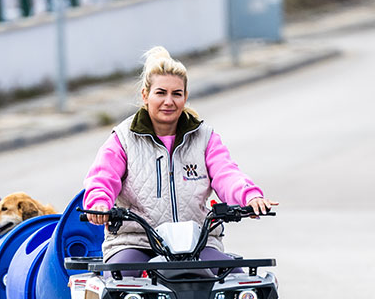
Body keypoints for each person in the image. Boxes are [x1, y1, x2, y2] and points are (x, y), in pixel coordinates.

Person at [83, 46, 277, 268]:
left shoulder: (205, 137)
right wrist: (99, 204)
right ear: (145, 96)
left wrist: (249, 196)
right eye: (160, 93)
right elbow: (102, 179)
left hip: (198, 244)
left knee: (238, 284)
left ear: (185, 97)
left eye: (176, 94)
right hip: (136, 242)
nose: (169, 101)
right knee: (119, 284)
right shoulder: (123, 138)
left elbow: (227, 173)